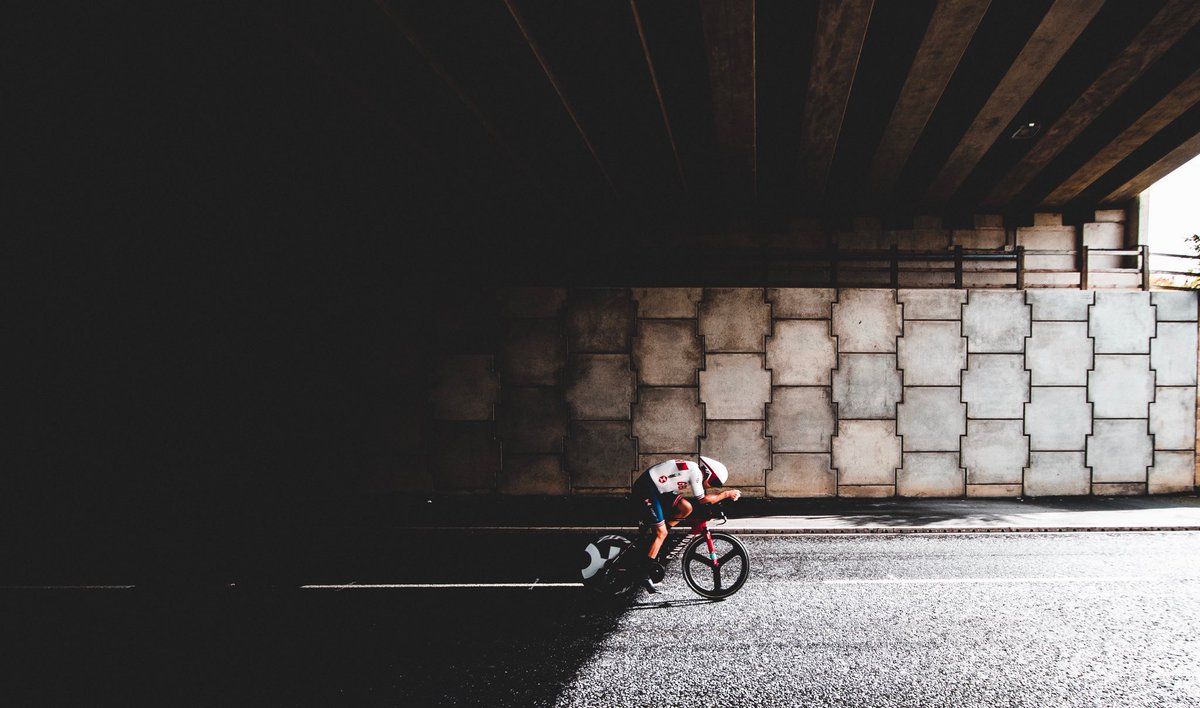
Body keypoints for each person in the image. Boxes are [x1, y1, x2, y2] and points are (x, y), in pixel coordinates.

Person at [631, 455, 742, 592]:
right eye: (714, 482)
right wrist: (725, 495)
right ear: (708, 473)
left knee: (686, 508)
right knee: (662, 533)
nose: (712, 485)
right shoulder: (695, 472)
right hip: (647, 488)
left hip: (658, 489)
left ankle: (659, 537)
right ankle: (643, 573)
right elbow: (702, 500)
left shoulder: (693, 470)